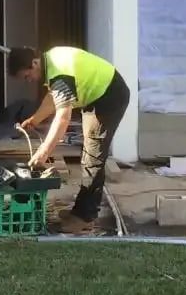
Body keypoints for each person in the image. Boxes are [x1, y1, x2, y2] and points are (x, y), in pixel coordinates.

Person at [7, 45, 130, 234]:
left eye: (26, 76)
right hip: (97, 95)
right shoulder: (51, 61)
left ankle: (84, 217)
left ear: (34, 63)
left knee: (93, 157)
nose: (28, 80)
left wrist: (43, 152)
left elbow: (63, 117)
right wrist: (35, 119)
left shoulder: (59, 75)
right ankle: (80, 211)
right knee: (89, 155)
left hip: (110, 97)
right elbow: (54, 98)